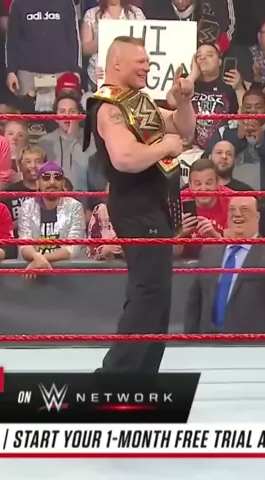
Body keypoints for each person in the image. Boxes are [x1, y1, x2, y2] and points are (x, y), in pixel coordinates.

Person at [82, 36, 196, 373]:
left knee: (158, 295)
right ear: (117, 63)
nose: (148, 66)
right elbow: (125, 158)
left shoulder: (135, 101)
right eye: (141, 61)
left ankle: (142, 377)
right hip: (135, 206)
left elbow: (183, 129)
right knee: (148, 292)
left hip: (153, 205)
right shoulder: (109, 108)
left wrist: (185, 102)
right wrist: (165, 147)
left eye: (148, 61)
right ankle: (113, 376)